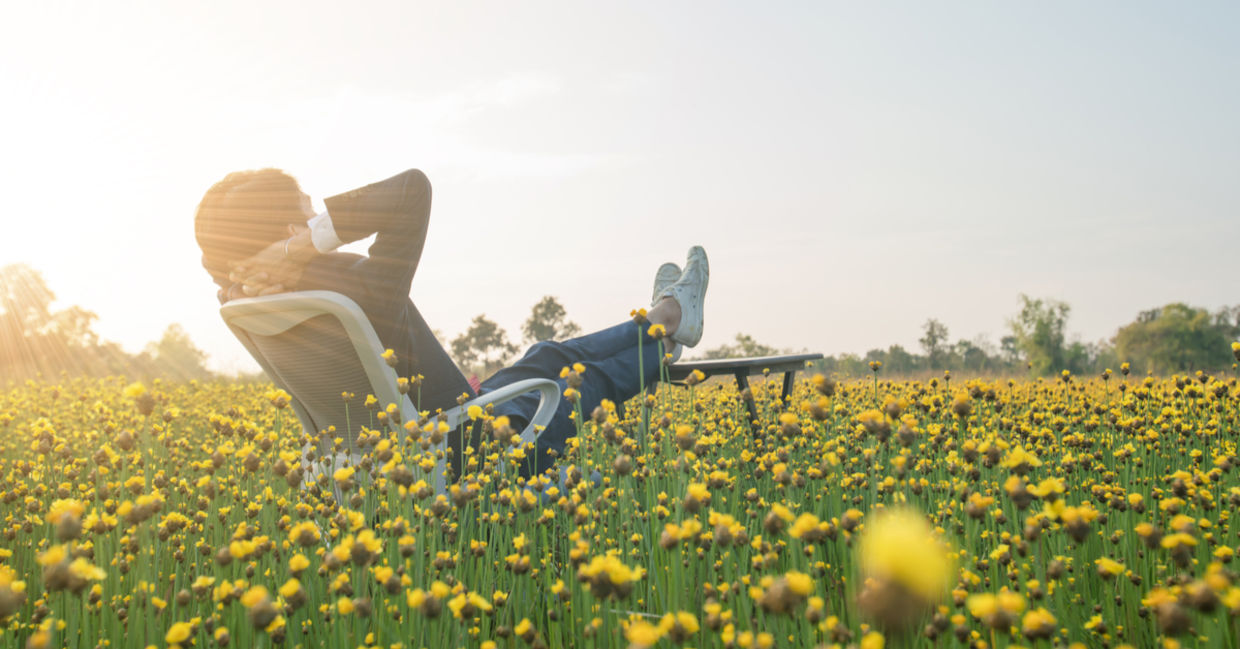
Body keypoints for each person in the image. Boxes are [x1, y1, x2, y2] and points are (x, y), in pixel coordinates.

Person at [195, 168, 709, 477]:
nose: (320, 221)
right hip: (470, 447)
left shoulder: (251, 310)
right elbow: (410, 190)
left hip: (419, 440)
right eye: (310, 214)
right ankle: (664, 339)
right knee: (580, 381)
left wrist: (243, 275)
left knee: (545, 357)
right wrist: (300, 249)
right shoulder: (352, 287)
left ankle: (664, 318)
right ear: (291, 232)